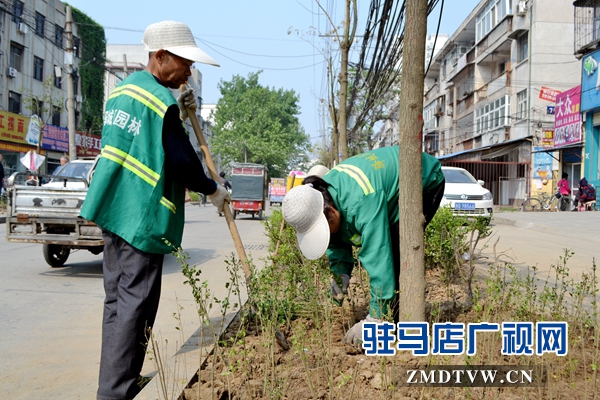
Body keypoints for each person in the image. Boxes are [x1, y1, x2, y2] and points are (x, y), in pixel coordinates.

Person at [79, 20, 228, 400]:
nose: (189, 72)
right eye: (185, 63)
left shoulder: (124, 91)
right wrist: (213, 189)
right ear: (160, 57)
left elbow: (143, 142)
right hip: (140, 217)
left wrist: (178, 107)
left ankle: (113, 385)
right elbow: (179, 160)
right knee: (136, 307)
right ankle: (116, 392)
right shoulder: (159, 102)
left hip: (114, 211)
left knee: (117, 303)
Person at [282, 146, 445, 347]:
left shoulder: (361, 202)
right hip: (386, 189)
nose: (328, 234)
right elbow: (335, 241)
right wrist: (340, 276)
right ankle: (390, 318)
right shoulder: (324, 196)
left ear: (331, 210)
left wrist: (374, 319)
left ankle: (391, 323)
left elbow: (378, 257)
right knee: (371, 243)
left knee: (395, 253)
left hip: (423, 178)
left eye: (326, 227)